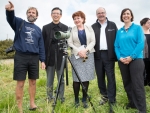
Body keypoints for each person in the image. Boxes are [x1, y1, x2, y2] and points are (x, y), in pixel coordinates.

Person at [5, 1, 45, 113]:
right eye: (29, 12)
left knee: (33, 82)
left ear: (36, 16)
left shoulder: (38, 29)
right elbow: (10, 19)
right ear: (27, 14)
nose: (31, 14)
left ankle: (32, 104)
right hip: (21, 57)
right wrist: (10, 11)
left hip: (34, 58)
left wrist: (43, 60)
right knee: (20, 83)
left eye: (33, 12)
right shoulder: (19, 23)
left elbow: (41, 45)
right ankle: (20, 108)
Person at [114, 8, 146, 113]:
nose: (126, 15)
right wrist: (119, 57)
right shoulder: (120, 31)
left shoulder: (137, 28)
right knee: (127, 83)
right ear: (122, 16)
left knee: (137, 84)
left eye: (128, 13)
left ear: (131, 16)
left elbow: (140, 43)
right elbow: (116, 46)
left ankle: (141, 109)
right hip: (122, 61)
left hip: (136, 60)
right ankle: (132, 103)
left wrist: (131, 57)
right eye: (124, 14)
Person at [67, 11, 95, 108]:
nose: (76, 20)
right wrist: (79, 51)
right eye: (75, 19)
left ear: (83, 19)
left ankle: (84, 98)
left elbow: (93, 41)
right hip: (76, 56)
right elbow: (69, 42)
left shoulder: (89, 28)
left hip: (88, 54)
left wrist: (85, 50)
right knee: (77, 79)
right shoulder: (72, 30)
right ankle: (76, 99)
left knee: (86, 78)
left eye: (78, 18)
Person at [92, 7, 117, 113]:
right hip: (97, 55)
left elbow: (117, 39)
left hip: (109, 54)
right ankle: (104, 96)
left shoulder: (112, 25)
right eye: (99, 13)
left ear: (105, 13)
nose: (101, 14)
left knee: (110, 77)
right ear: (96, 15)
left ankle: (112, 100)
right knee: (100, 77)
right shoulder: (93, 26)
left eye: (102, 13)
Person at [42, 7, 68, 103]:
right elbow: (42, 44)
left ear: (60, 15)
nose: (56, 15)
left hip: (61, 58)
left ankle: (61, 97)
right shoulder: (45, 28)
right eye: (54, 13)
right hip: (49, 58)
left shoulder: (65, 28)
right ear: (51, 15)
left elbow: (67, 42)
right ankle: (49, 97)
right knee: (49, 80)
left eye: (57, 13)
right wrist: (43, 60)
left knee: (61, 79)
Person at [140, 18, 150, 86]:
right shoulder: (139, 33)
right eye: (148, 22)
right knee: (142, 71)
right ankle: (142, 84)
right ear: (143, 23)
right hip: (142, 55)